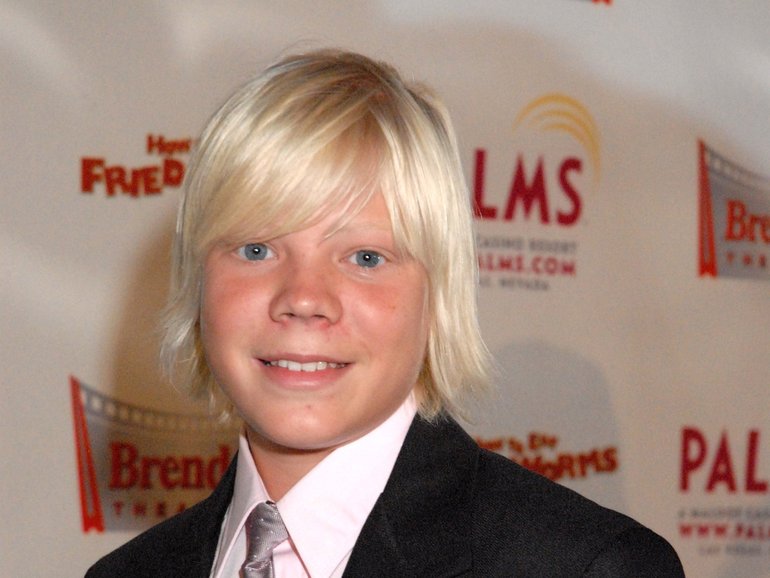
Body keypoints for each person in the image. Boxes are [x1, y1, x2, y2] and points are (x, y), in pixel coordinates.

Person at [87, 49, 684, 577]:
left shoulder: (590, 567)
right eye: (256, 249)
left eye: (365, 256)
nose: (302, 297)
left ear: (438, 296)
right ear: (198, 282)